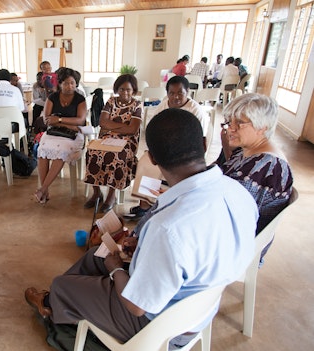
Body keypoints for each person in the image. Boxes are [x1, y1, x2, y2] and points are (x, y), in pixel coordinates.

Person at [25, 108, 258, 349]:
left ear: (153, 158)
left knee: (67, 283)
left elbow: (137, 306)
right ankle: (64, 300)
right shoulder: (239, 193)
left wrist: (116, 271)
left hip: (160, 324)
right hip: (198, 304)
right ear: (204, 143)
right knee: (98, 254)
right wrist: (144, 249)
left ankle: (53, 303)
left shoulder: (168, 228)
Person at [126, 76, 208, 219]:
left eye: (180, 93)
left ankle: (162, 204)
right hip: (164, 148)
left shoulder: (196, 111)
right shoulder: (163, 106)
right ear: (167, 93)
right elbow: (154, 131)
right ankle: (145, 205)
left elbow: (199, 140)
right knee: (146, 161)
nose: (176, 97)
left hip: (184, 153)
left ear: (187, 92)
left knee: (163, 165)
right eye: (171, 93)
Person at [219, 93, 293, 239]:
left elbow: (228, 213)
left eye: (239, 123)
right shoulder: (245, 151)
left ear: (262, 127)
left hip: (237, 244)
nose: (231, 128)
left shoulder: (268, 166)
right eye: (229, 121)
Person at [84, 74, 141, 213]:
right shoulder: (111, 101)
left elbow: (132, 129)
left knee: (117, 156)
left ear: (133, 90)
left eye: (128, 89)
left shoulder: (137, 105)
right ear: (117, 89)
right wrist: (121, 127)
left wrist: (111, 126)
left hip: (128, 141)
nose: (125, 93)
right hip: (107, 138)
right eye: (122, 89)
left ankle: (111, 196)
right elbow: (102, 122)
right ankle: (97, 192)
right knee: (92, 152)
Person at [34, 67, 87, 204]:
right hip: (53, 133)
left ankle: (43, 189)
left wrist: (59, 120)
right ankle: (45, 191)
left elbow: (81, 121)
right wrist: (69, 123)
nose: (70, 86)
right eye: (66, 83)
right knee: (41, 151)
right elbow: (46, 120)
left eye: (73, 83)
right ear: (59, 84)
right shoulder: (52, 97)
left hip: (73, 136)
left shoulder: (80, 98)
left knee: (61, 151)